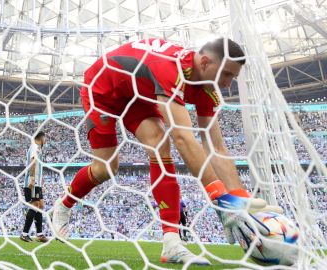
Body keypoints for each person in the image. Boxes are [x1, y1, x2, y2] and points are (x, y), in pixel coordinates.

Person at [52, 38, 280, 265]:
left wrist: (237, 198)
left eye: (233, 77)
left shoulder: (207, 90)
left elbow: (216, 147)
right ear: (204, 62)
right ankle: (64, 205)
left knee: (160, 143)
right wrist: (219, 196)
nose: (228, 84)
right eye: (226, 74)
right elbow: (183, 137)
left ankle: (171, 242)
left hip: (137, 93)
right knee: (105, 169)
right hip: (103, 89)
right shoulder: (172, 70)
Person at [20, 131, 48, 243]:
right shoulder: (34, 147)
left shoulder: (38, 149)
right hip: (32, 182)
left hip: (37, 183)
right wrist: (32, 177)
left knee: (40, 205)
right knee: (35, 205)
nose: (45, 141)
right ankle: (24, 233)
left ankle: (40, 234)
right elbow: (33, 161)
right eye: (45, 138)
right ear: (41, 137)